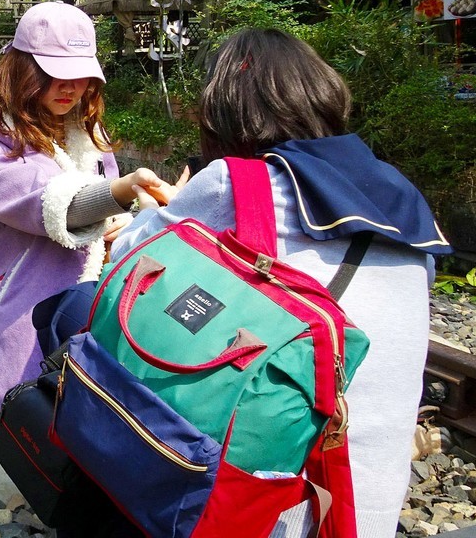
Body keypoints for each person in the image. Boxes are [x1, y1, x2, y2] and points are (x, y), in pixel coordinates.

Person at [106, 28, 450, 538]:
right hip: (365, 505)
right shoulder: (403, 200)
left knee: (86, 320)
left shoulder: (233, 180)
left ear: (223, 111)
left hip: (274, 504)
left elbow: (127, 260)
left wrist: (162, 207)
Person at [0, 1, 176, 412]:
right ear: (23, 70)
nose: (72, 88)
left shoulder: (87, 133)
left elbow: (101, 203)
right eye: (56, 74)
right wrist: (120, 193)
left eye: (82, 76)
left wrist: (127, 218)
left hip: (73, 302)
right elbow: (50, 203)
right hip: (13, 310)